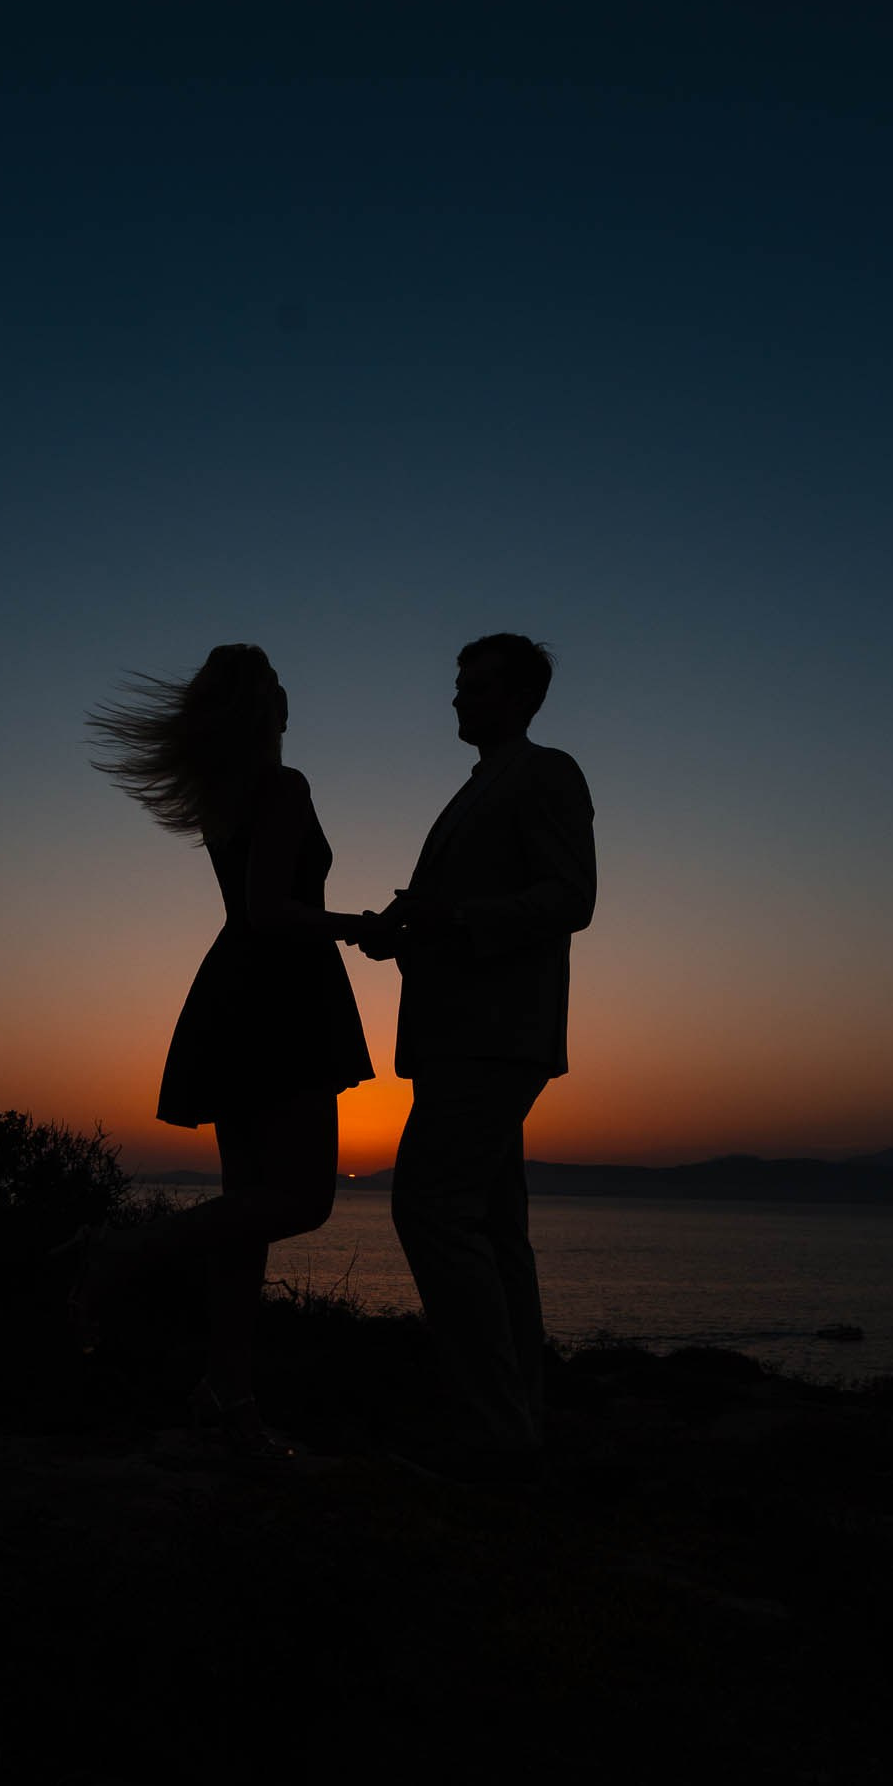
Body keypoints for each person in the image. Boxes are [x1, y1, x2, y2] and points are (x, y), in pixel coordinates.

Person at [73, 644, 375, 1469]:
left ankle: (225, 1394)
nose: (288, 696)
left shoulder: (226, 796)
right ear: (261, 709)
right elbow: (270, 911)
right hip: (283, 998)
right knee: (304, 1199)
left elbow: (255, 910)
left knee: (248, 1214)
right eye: (277, 686)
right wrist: (360, 926)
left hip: (239, 1000)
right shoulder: (282, 787)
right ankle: (123, 1252)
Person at [357, 634, 595, 1483]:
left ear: (523, 696)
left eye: (476, 687)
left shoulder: (546, 773)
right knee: (494, 1232)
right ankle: (513, 1423)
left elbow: (572, 898)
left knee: (429, 1208)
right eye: (458, 685)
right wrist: (410, 928)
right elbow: (465, 907)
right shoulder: (479, 788)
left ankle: (493, 1429)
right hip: (469, 1034)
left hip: (494, 1036)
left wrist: (450, 920)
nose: (457, 700)